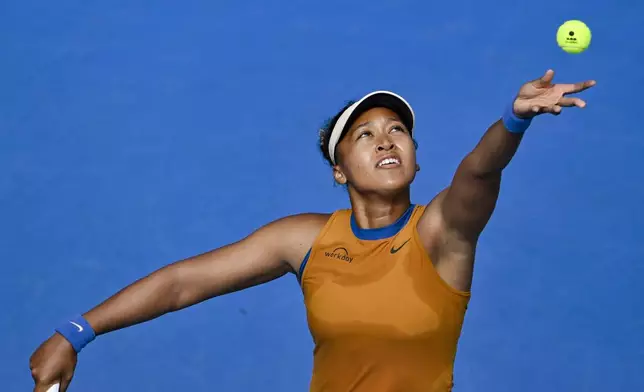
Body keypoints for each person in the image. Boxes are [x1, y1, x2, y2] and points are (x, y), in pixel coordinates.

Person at [29, 69, 595, 392]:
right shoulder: (304, 239)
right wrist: (77, 331)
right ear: (339, 169)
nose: (385, 139)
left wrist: (514, 119)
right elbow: (183, 283)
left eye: (398, 130)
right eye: (364, 135)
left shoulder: (443, 232)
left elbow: (480, 169)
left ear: (417, 162)